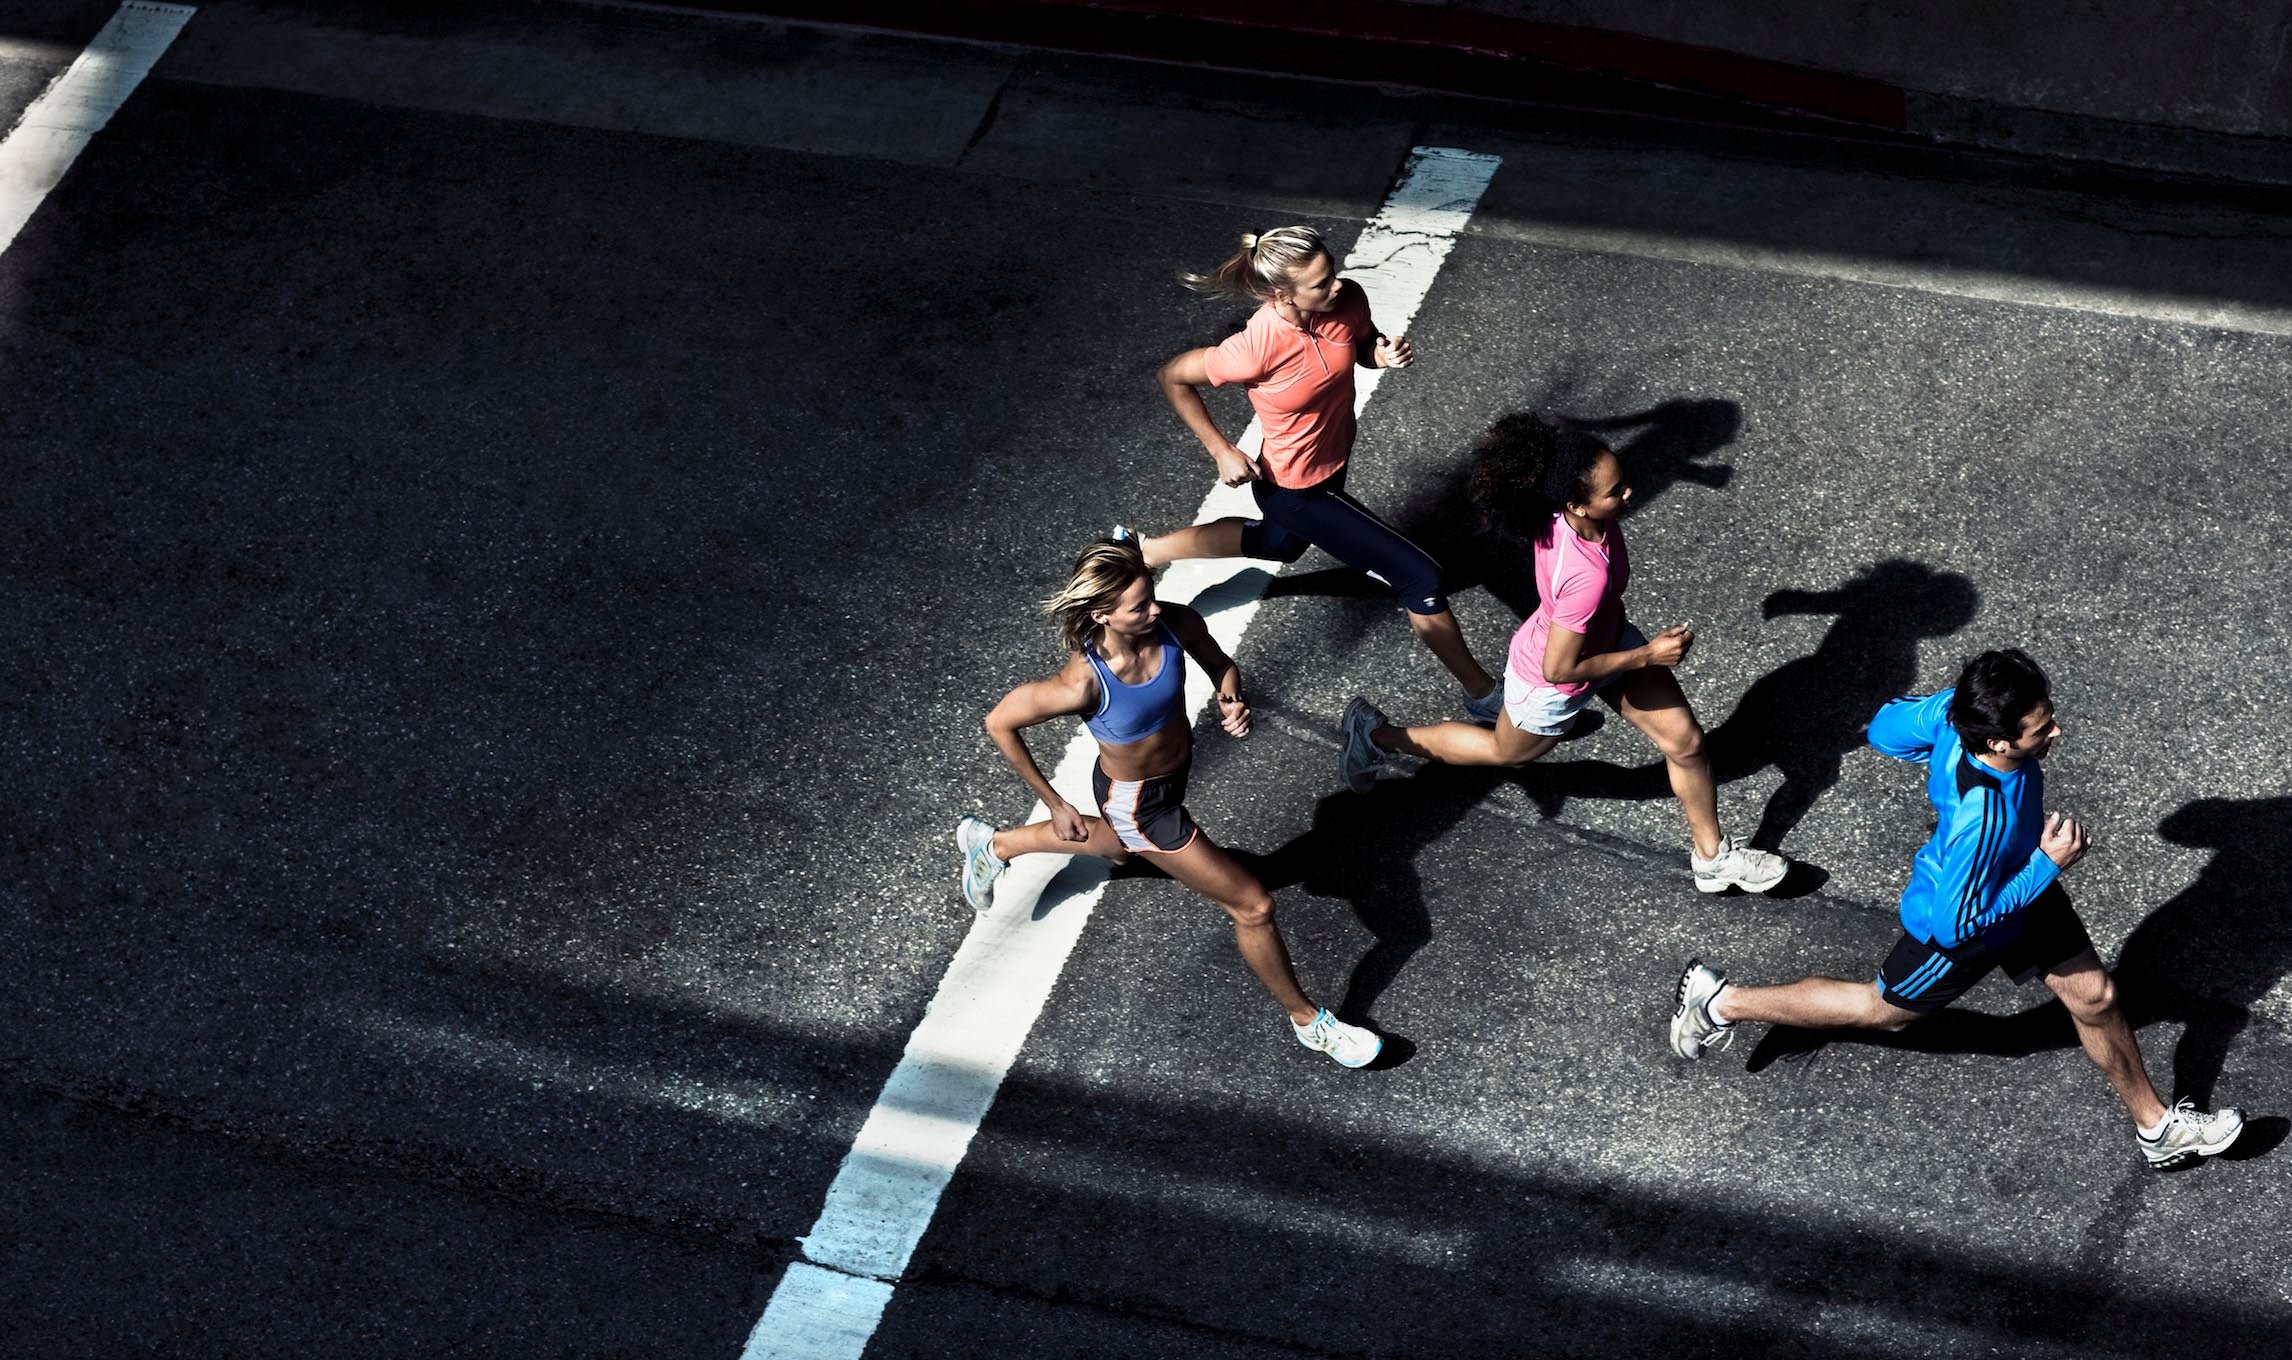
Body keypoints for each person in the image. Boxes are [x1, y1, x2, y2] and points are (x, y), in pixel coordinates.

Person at [1668, 649, 2246, 1169]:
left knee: (2096, 996)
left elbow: (1885, 730)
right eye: (2042, 730)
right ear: (1999, 743)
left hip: (2020, 885)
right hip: (1970, 913)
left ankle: (2157, 1129)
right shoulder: (1983, 818)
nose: (2056, 732)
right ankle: (1721, 1003)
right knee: (1885, 1009)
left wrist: (1949, 730)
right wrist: (2046, 866)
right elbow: (1956, 925)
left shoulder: (1954, 715)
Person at [956, 538, 1382, 1068]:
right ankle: (1308, 1021)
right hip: (1142, 806)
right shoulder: (1080, 682)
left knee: (1118, 849)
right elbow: (1000, 722)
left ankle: (995, 843)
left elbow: (1221, 664)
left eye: (1151, 594)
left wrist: (1231, 700)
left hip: (1171, 777)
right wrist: (1055, 802)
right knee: (1253, 905)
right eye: (1138, 606)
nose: (1153, 608)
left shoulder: (1174, 624)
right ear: (1102, 615)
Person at [1338, 413, 1786, 894]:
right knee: (1503, 753)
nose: (1628, 494)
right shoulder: (1583, 578)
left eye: (1623, 482)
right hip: (1550, 679)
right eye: (1614, 492)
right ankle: (1376, 736)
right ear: (1577, 504)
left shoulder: (1567, 516)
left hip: (1606, 640)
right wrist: (1648, 656)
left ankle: (1712, 858)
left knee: (1686, 743)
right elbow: (1559, 667)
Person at [1124, 225, 1502, 722]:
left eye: (1333, 272)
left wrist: (1380, 356)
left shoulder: (1345, 301)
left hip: (1334, 459)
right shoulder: (1255, 348)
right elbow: (1171, 376)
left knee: (1280, 545)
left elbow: (1361, 343)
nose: (1336, 287)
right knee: (1420, 576)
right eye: (1320, 284)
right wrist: (1221, 449)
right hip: (1292, 486)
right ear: (1284, 294)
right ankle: (1482, 697)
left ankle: (1148, 550)